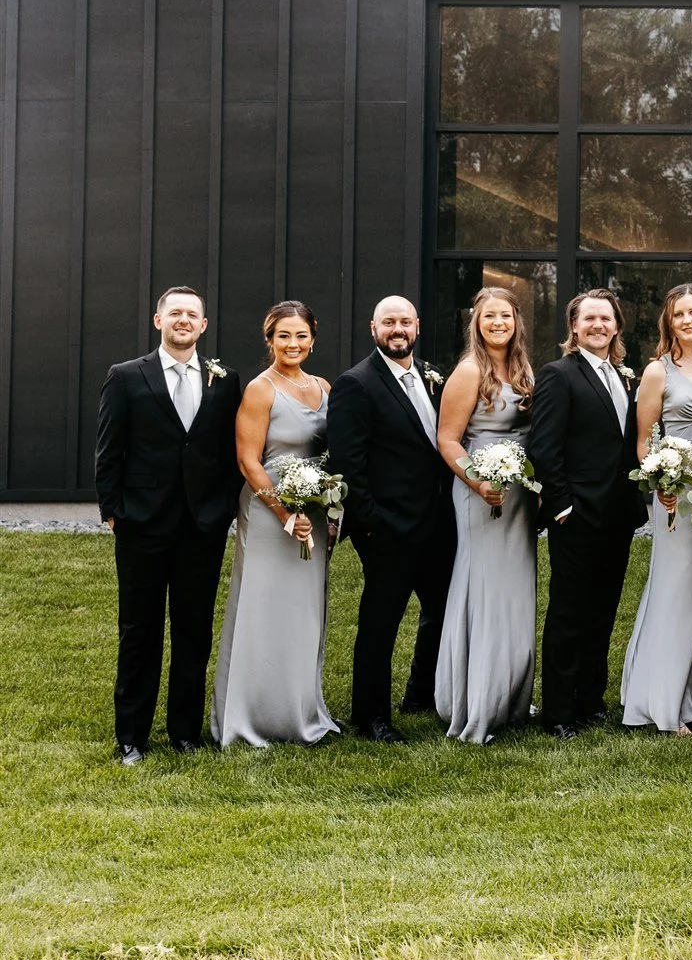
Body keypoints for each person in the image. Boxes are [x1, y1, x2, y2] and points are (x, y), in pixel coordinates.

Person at [95, 287, 244, 764]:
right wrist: (114, 511)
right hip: (142, 524)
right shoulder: (125, 376)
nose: (183, 320)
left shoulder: (225, 380)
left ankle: (185, 732)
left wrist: (223, 508)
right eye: (174, 312)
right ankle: (131, 737)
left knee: (193, 630)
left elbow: (230, 453)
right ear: (158, 320)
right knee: (139, 630)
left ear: (203, 325)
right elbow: (109, 450)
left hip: (202, 526)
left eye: (191, 314)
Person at [327, 295, 458, 743]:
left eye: (404, 322)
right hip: (388, 528)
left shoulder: (432, 376)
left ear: (417, 326)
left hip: (438, 523)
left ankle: (421, 694)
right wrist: (371, 523)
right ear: (373, 329)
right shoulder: (356, 384)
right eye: (388, 322)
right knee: (381, 623)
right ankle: (372, 717)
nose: (397, 329)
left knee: (441, 611)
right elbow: (347, 462)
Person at [211, 301, 341, 747]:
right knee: (263, 609)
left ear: (313, 339)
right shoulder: (260, 389)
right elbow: (248, 461)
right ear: (270, 340)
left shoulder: (324, 387)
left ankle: (299, 713)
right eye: (283, 335)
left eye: (301, 335)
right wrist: (286, 514)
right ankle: (251, 718)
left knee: (304, 612)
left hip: (314, 510)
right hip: (269, 512)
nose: (293, 343)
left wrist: (328, 510)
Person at [620, 284, 692, 735]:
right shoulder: (658, 372)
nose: (687, 321)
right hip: (679, 496)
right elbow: (644, 441)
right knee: (677, 591)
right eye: (678, 314)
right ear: (668, 322)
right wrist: (661, 486)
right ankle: (663, 701)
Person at [528, 288, 645, 739]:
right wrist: (561, 508)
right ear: (574, 328)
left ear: (616, 327)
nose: (598, 325)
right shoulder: (558, 374)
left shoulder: (624, 377)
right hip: (576, 516)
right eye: (589, 318)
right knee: (568, 614)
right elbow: (544, 446)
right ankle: (558, 712)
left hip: (617, 516)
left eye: (606, 318)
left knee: (603, 611)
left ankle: (590, 700)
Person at [432, 287, 539, 744]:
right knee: (485, 588)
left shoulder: (522, 368)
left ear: (517, 321)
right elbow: (447, 439)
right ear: (476, 323)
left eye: (506, 316)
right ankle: (475, 701)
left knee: (515, 591)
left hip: (518, 494)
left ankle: (509, 696)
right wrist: (478, 481)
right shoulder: (469, 370)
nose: (498, 323)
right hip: (481, 491)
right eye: (489, 316)